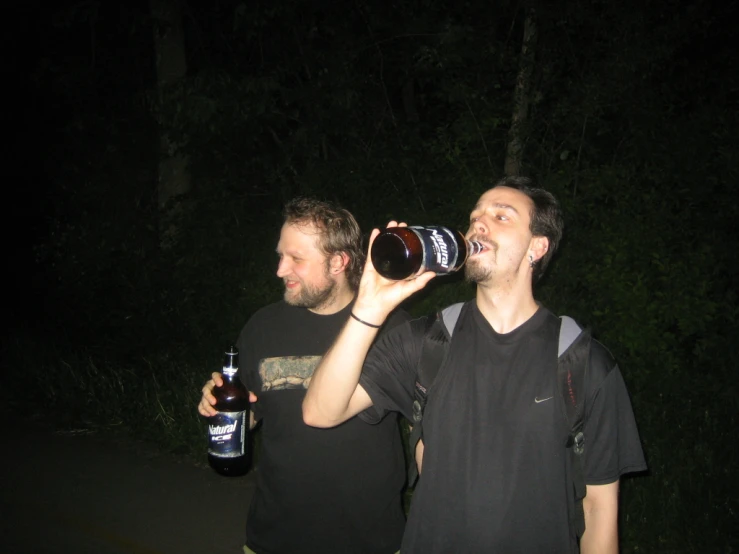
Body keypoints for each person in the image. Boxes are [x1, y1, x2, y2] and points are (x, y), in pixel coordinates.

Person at [303, 176, 647, 553]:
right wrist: (368, 308)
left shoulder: (582, 361)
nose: (478, 223)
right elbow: (320, 411)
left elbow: (599, 511)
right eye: (475, 216)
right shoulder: (427, 342)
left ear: (538, 246)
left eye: (502, 216)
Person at [198, 198, 408, 554]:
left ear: (339, 262)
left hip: (367, 538)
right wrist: (218, 408)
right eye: (280, 256)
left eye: (297, 259)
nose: (281, 270)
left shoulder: (392, 328)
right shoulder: (263, 326)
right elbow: (247, 414)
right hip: (275, 535)